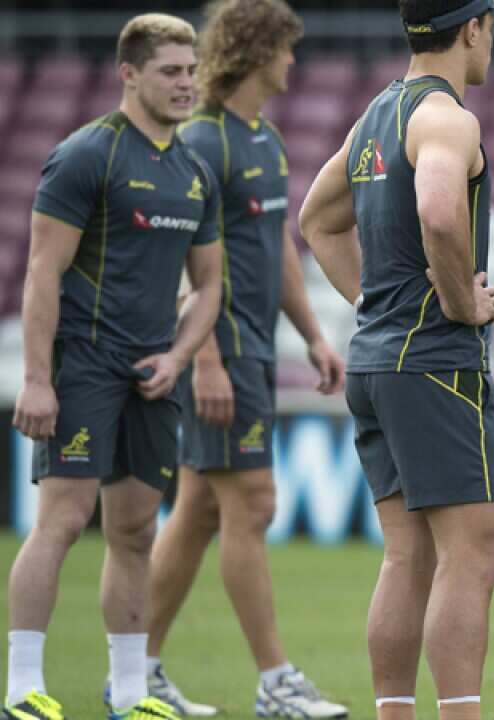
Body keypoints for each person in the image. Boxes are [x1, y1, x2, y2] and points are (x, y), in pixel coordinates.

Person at [299, 1, 494, 718]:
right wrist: (459, 302)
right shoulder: (446, 118)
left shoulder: (376, 115)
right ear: (472, 28)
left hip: (376, 359)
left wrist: (379, 302)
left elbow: (316, 220)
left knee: (408, 556)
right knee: (472, 553)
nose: (492, 40)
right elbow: (440, 212)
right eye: (492, 26)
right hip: (434, 365)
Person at [5, 13, 224, 720]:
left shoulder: (195, 172)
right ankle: (21, 690)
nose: (186, 83)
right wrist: (37, 378)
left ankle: (130, 696)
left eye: (191, 70)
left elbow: (209, 286)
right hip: (85, 365)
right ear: (128, 73)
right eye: (170, 71)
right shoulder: (85, 156)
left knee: (136, 531)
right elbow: (42, 271)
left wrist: (180, 357)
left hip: (154, 374)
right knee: (63, 521)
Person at [135, 1, 348, 717]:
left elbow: (277, 244)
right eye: (285, 48)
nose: (293, 61)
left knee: (198, 510)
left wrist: (312, 333)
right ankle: (275, 681)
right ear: (257, 52)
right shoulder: (204, 140)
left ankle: (137, 671)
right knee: (254, 505)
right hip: (220, 352)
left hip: (252, 348)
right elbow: (177, 256)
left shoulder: (265, 140)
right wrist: (203, 360)